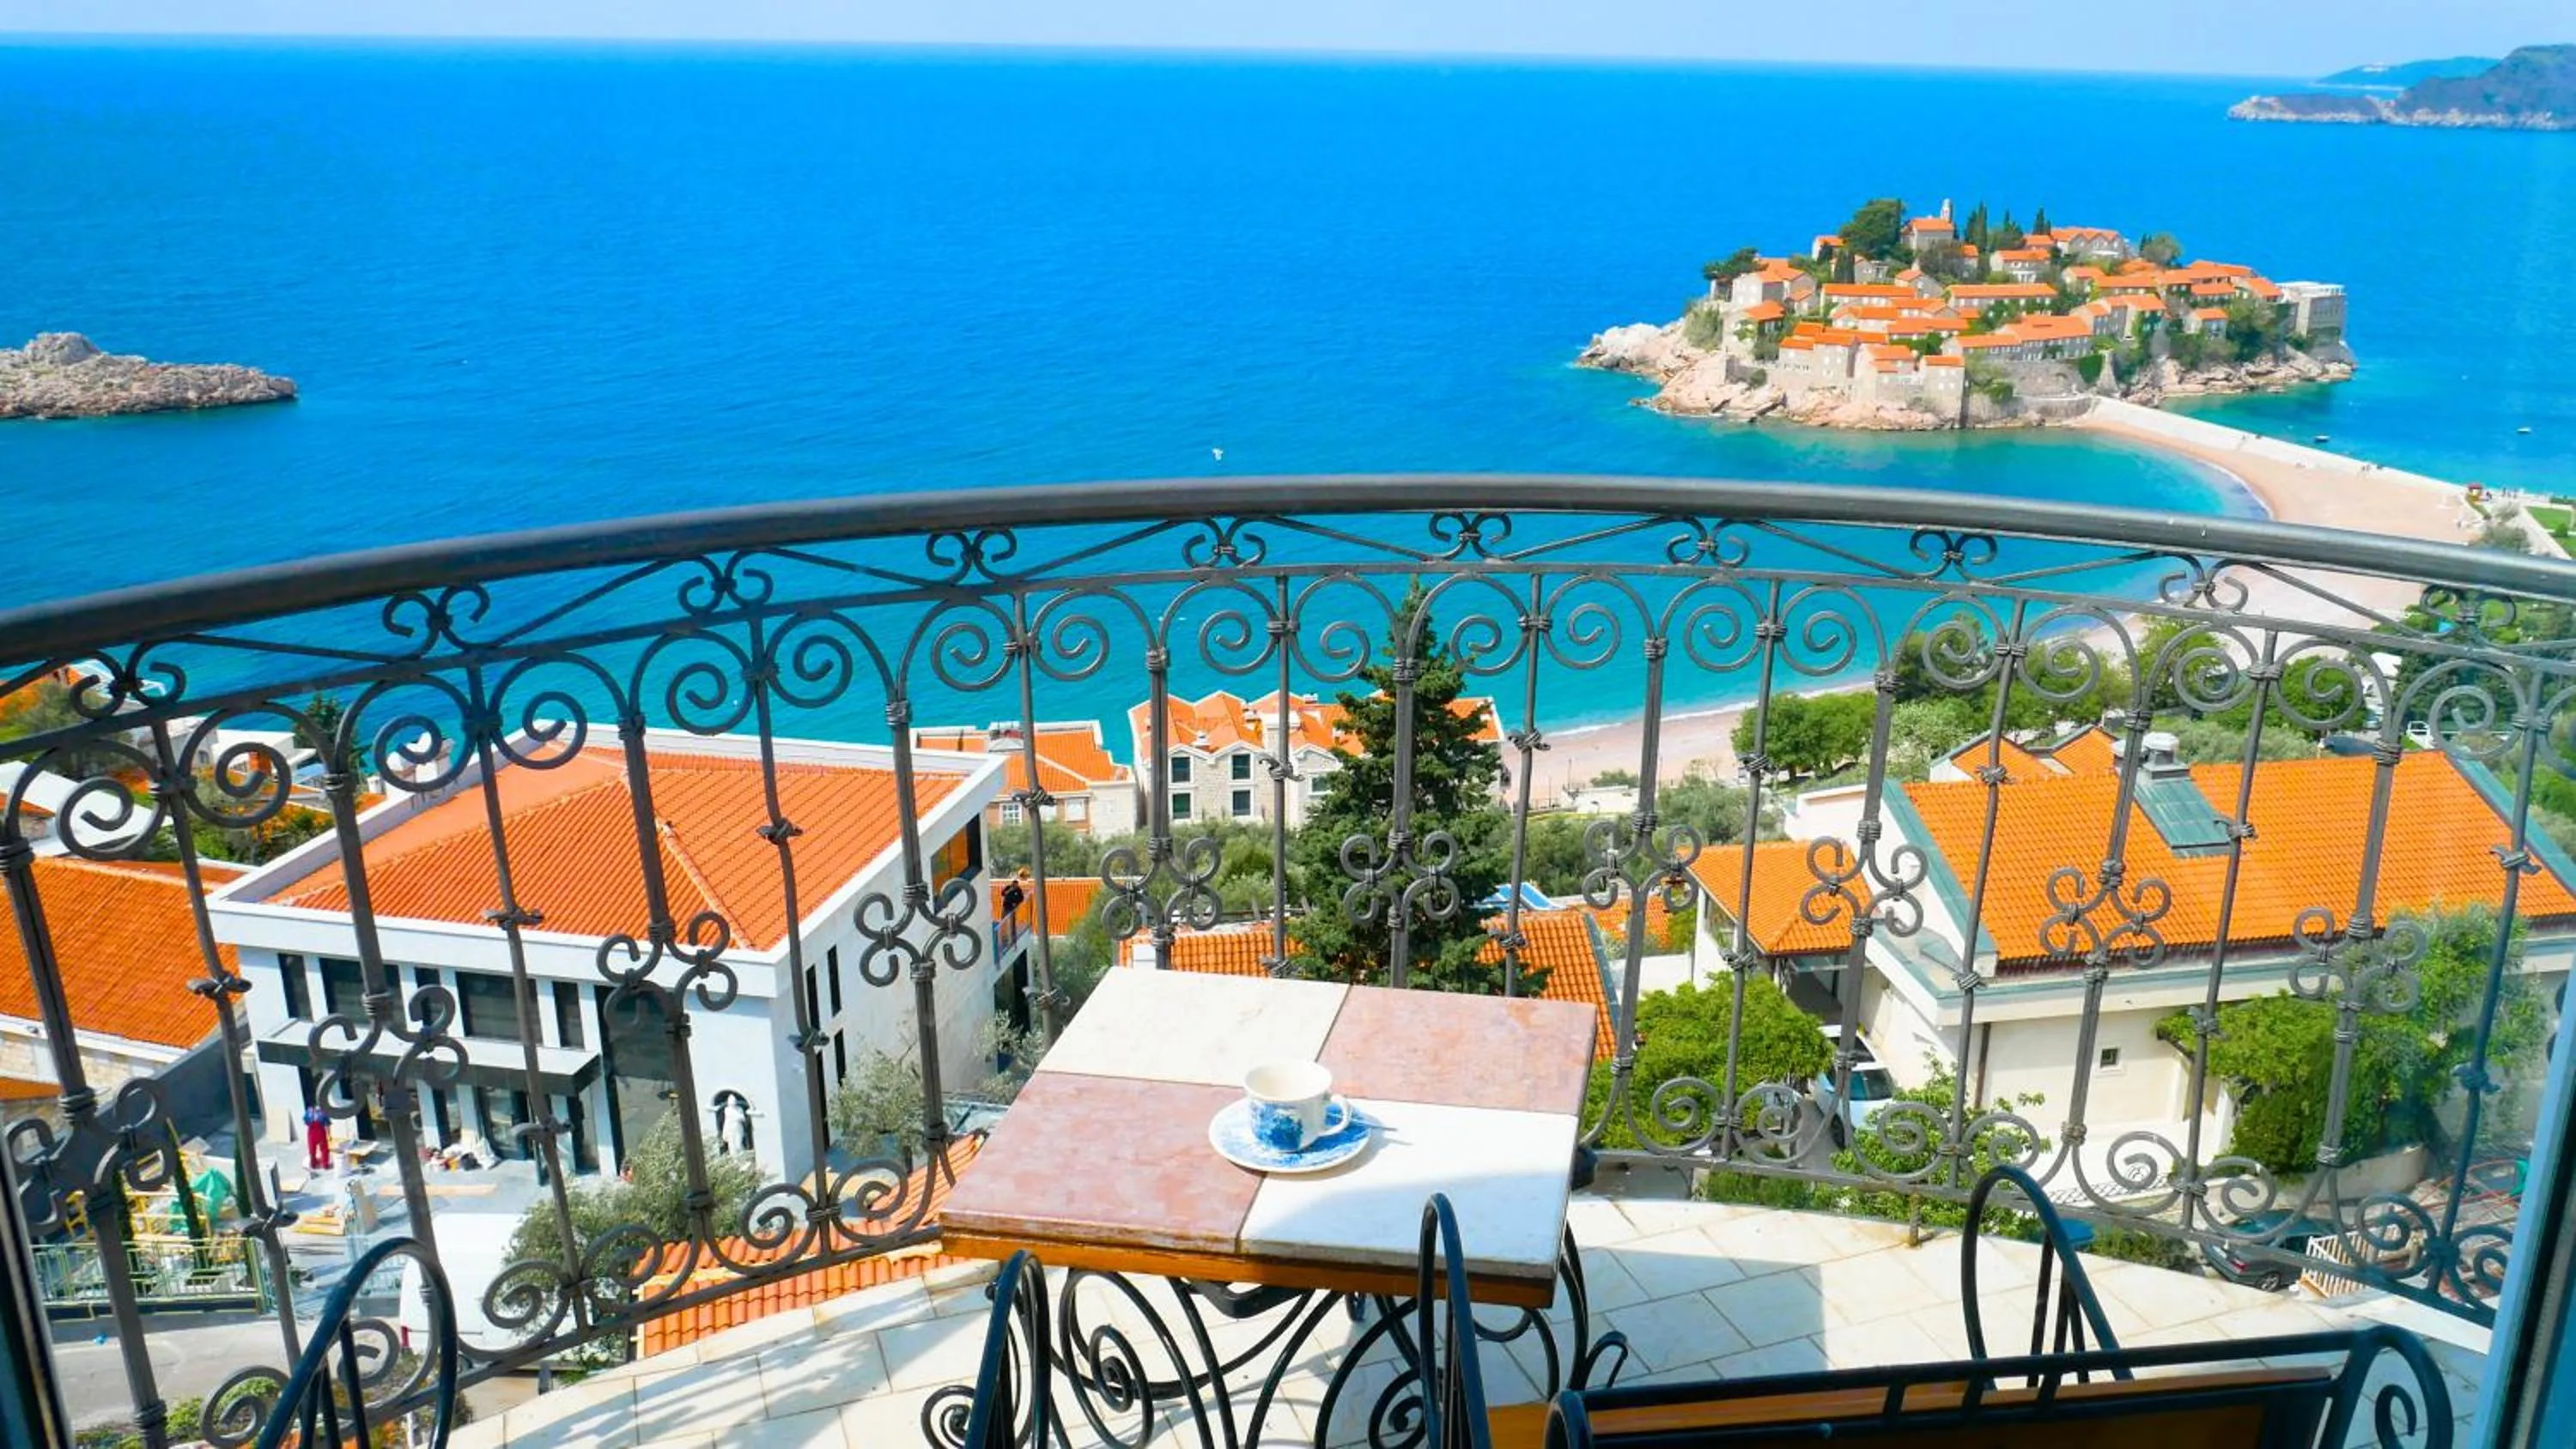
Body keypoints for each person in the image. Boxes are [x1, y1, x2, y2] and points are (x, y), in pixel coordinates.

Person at [303, 1103, 332, 1172]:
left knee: (312, 1149)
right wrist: (329, 1135)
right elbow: (327, 1124)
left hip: (311, 1133)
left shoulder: (309, 1111)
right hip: (320, 1133)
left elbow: (306, 1123)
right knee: (324, 1149)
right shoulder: (324, 1111)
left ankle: (313, 1164)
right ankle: (325, 1165)